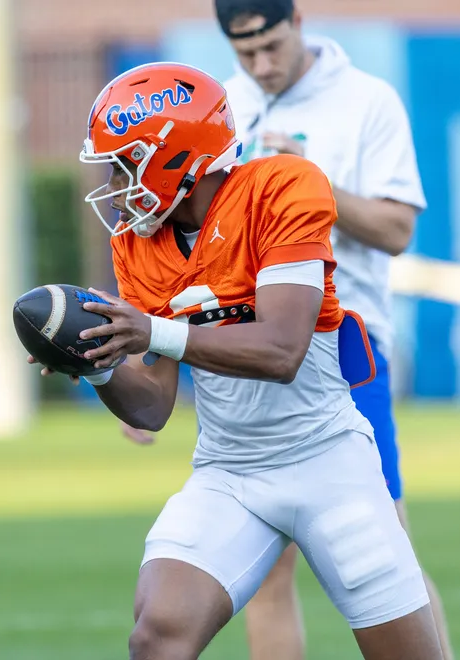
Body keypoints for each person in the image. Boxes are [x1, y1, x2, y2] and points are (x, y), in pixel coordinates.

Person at [28, 61, 444, 660]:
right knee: (157, 634)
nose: (117, 184)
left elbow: (281, 350)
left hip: (328, 460)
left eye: (125, 163)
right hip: (231, 472)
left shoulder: (283, 189)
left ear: (176, 157)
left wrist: (156, 330)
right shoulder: (139, 243)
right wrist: (97, 363)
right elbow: (152, 407)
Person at [206, 1, 454, 658]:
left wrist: (309, 183)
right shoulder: (223, 105)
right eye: (243, 53)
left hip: (341, 342)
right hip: (249, 343)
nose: (260, 65)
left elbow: (398, 230)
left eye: (270, 47)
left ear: (296, 23)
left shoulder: (365, 101)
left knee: (382, 554)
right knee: (262, 565)